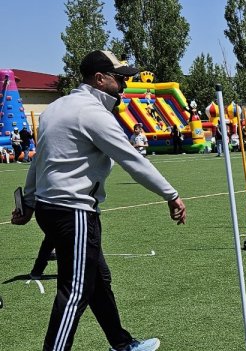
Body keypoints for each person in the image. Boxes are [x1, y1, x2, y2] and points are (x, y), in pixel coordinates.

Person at [10, 50, 186, 351]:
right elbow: (131, 159)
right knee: (76, 290)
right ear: (99, 79)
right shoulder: (93, 113)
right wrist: (170, 194)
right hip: (74, 211)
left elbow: (37, 162)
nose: (124, 86)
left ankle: (121, 343)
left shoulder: (56, 108)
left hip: (51, 209)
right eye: (120, 79)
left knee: (98, 280)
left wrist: (28, 201)